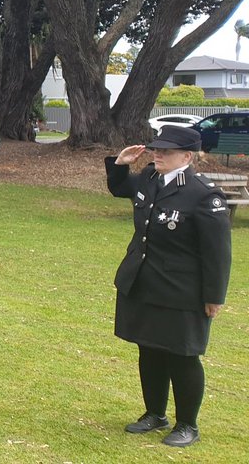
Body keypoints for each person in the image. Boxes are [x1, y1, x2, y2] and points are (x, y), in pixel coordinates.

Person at [106, 126, 231, 448]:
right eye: (156, 149)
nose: (157, 154)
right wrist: (120, 164)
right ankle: (154, 413)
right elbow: (121, 189)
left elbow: (217, 253)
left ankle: (187, 423)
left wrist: (214, 297)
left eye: (166, 151)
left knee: (182, 356)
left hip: (181, 290)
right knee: (148, 348)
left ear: (187, 157)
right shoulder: (150, 178)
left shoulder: (203, 194)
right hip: (145, 281)